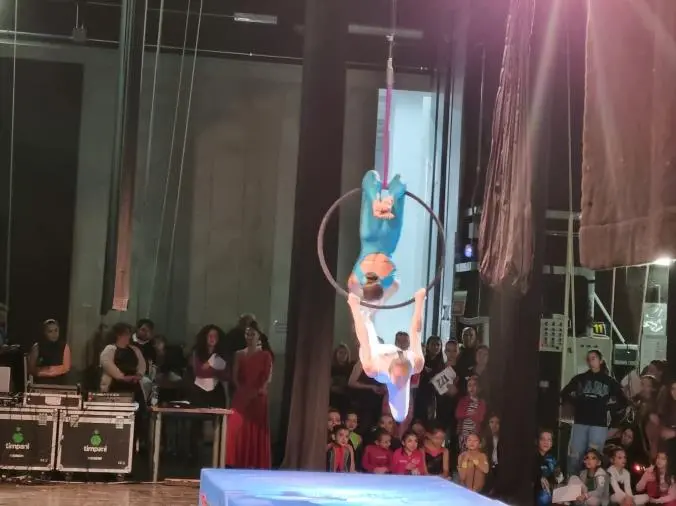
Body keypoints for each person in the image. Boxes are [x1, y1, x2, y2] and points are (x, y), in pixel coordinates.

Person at [347, 288, 426, 422]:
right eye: (400, 378)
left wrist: (354, 308)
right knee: (365, 323)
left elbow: (363, 338)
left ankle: (364, 313)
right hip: (380, 355)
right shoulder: (413, 363)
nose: (401, 381)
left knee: (400, 416)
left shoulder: (373, 367)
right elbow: (416, 331)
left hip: (377, 356)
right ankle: (365, 313)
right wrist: (420, 301)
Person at [561, 349, 627, 474]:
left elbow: (622, 400)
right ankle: (573, 479)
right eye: (589, 359)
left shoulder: (609, 381)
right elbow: (565, 393)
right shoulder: (580, 379)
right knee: (575, 455)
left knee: (594, 456)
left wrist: (608, 407)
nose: (591, 361)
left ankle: (592, 481)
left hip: (599, 424)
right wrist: (577, 402)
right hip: (580, 422)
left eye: (593, 358)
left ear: (600, 361)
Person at [348, 170, 406, 302]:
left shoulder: (386, 281)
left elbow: (393, 288)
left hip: (385, 237)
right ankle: (381, 201)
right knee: (377, 178)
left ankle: (382, 200)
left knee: (394, 181)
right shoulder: (358, 279)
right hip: (375, 236)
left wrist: (372, 306)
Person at [226, 323, 273, 469]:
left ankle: (255, 461)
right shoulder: (239, 354)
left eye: (253, 334)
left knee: (255, 428)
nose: (249, 337)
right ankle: (235, 460)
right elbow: (235, 376)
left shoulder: (265, 355)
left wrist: (259, 391)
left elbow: (268, 377)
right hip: (242, 394)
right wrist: (242, 391)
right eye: (247, 334)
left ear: (259, 335)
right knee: (235, 425)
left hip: (258, 395)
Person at [28, 319, 71, 385]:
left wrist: (47, 370)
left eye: (56, 330)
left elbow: (66, 368)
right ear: (44, 332)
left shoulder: (65, 346)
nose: (54, 334)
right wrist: (49, 371)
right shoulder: (37, 347)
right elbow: (31, 369)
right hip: (41, 383)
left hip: (59, 383)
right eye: (50, 331)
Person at [534, 429, 564, 506]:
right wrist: (540, 478)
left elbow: (559, 477)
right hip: (536, 492)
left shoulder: (551, 459)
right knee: (544, 497)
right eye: (542, 439)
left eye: (549, 440)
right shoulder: (532, 456)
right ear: (537, 441)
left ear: (552, 443)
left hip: (551, 489)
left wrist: (557, 476)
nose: (546, 442)